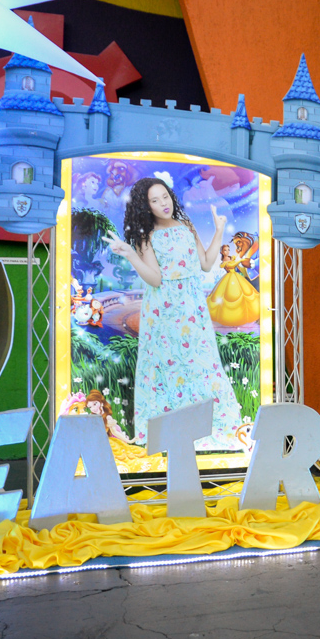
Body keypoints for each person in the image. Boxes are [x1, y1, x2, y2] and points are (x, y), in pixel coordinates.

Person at [107, 177, 244, 450]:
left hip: (192, 308)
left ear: (171, 196)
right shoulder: (146, 237)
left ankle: (209, 430)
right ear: (146, 207)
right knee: (166, 370)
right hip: (163, 312)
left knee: (202, 366)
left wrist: (219, 231)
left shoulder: (186, 225)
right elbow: (155, 279)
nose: (162, 204)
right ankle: (167, 437)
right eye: (154, 201)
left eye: (165, 197)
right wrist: (131, 255)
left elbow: (206, 264)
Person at [208, 242, 260, 327]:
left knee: (245, 293)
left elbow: (235, 262)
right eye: (225, 250)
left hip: (236, 276)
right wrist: (240, 260)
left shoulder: (230, 257)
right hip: (229, 278)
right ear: (222, 252)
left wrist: (237, 258)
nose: (227, 252)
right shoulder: (224, 261)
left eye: (228, 250)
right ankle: (230, 317)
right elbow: (232, 265)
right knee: (229, 296)